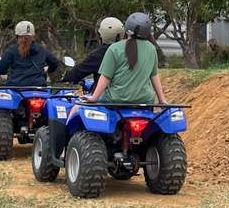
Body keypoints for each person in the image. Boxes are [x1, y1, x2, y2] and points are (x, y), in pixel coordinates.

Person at [48, 13, 166, 167]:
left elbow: (105, 78)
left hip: (115, 99)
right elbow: (154, 76)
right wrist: (162, 100)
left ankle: (64, 150)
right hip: (144, 100)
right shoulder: (151, 49)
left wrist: (94, 97)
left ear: (127, 31)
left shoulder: (115, 49)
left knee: (76, 108)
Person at [0, 21, 59, 86]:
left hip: (16, 89)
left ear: (17, 36)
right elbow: (54, 62)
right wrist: (47, 69)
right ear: (33, 35)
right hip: (38, 89)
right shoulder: (41, 49)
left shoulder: (12, 50)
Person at [62, 17, 123, 85]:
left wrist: (63, 76)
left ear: (101, 34)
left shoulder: (99, 54)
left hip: (106, 93)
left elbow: (75, 74)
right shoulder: (129, 49)